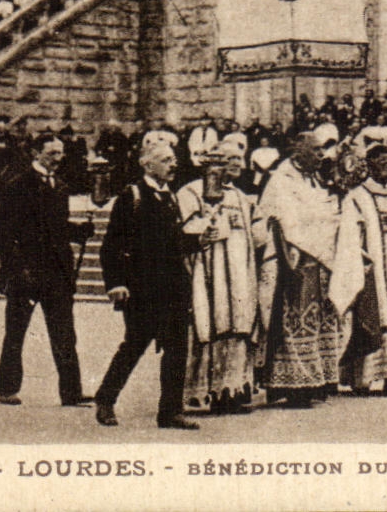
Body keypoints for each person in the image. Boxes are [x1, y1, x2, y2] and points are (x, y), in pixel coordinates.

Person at [93, 135, 197, 429]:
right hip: (142, 290)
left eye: (173, 160)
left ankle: (170, 412)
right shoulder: (133, 196)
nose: (173, 165)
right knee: (135, 346)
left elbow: (173, 243)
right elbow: (112, 245)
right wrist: (116, 282)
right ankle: (105, 399)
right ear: (148, 165)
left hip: (174, 288)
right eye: (165, 160)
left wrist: (199, 240)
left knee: (177, 350)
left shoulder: (170, 196)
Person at [0, 133, 96, 407]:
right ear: (36, 153)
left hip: (57, 273)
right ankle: (7, 388)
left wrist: (78, 231)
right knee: (16, 332)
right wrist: (17, 269)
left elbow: (55, 228)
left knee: (65, 334)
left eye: (60, 153)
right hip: (26, 272)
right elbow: (2, 234)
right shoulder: (18, 185)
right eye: (52, 153)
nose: (58, 159)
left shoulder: (59, 186)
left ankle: (71, 392)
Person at [254, 127, 346, 407]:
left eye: (322, 150)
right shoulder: (282, 180)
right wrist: (324, 220)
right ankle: (294, 386)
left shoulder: (313, 178)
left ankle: (316, 381)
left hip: (319, 260)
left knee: (318, 322)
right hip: (294, 261)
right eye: (316, 150)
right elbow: (289, 221)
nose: (321, 155)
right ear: (299, 150)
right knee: (295, 323)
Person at [178, 141, 261, 415]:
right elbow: (186, 228)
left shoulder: (239, 196)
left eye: (238, 159)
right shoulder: (190, 192)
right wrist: (213, 225)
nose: (235, 164)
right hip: (207, 273)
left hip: (239, 274)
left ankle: (232, 390)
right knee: (210, 326)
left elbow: (253, 232)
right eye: (227, 159)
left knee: (238, 328)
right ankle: (205, 392)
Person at [333, 144, 387, 398]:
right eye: (383, 164)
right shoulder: (356, 197)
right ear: (369, 165)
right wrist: (361, 261)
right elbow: (348, 234)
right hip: (372, 268)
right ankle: (362, 379)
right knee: (372, 317)